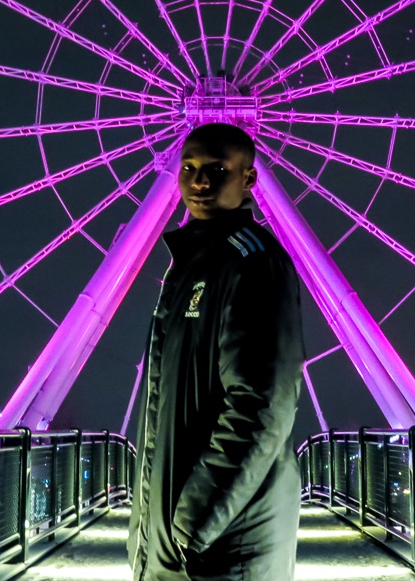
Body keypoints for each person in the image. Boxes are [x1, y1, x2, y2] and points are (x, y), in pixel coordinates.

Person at [128, 122, 305, 581]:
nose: (200, 181)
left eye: (217, 169)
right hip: (180, 541)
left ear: (248, 179)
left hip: (225, 545)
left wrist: (191, 525)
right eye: (189, 168)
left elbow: (261, 404)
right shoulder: (189, 266)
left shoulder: (254, 262)